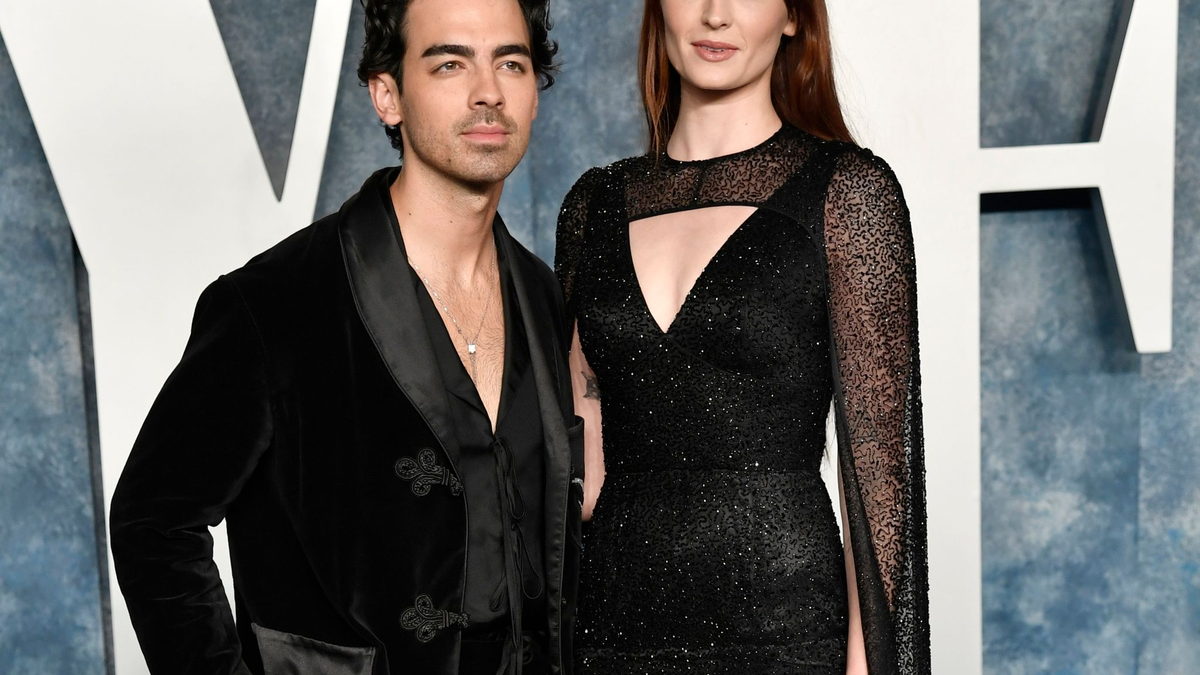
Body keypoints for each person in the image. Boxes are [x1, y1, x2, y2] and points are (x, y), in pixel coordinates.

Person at [109, 0, 584, 673]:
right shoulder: (272, 303)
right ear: (386, 94)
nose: (488, 91)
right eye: (450, 63)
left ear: (535, 93)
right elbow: (151, 524)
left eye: (511, 62)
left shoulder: (547, 298)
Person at [555, 0, 929, 673]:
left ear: (793, 18)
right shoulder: (594, 204)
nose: (715, 13)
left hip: (784, 637)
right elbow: (577, 457)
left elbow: (880, 482)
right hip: (610, 633)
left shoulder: (847, 193)